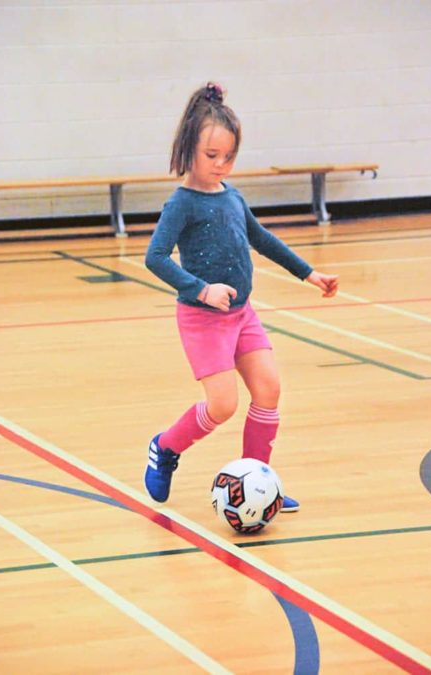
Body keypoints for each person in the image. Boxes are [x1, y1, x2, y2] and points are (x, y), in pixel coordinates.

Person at [144, 82, 338, 511]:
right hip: (202, 318)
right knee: (223, 405)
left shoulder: (232, 196)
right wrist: (201, 288)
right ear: (188, 148)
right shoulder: (182, 203)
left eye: (229, 156)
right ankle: (166, 447)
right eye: (211, 156)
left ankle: (257, 483)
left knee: (268, 388)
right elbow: (155, 257)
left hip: (242, 315)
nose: (221, 165)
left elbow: (262, 239)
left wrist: (309, 273)